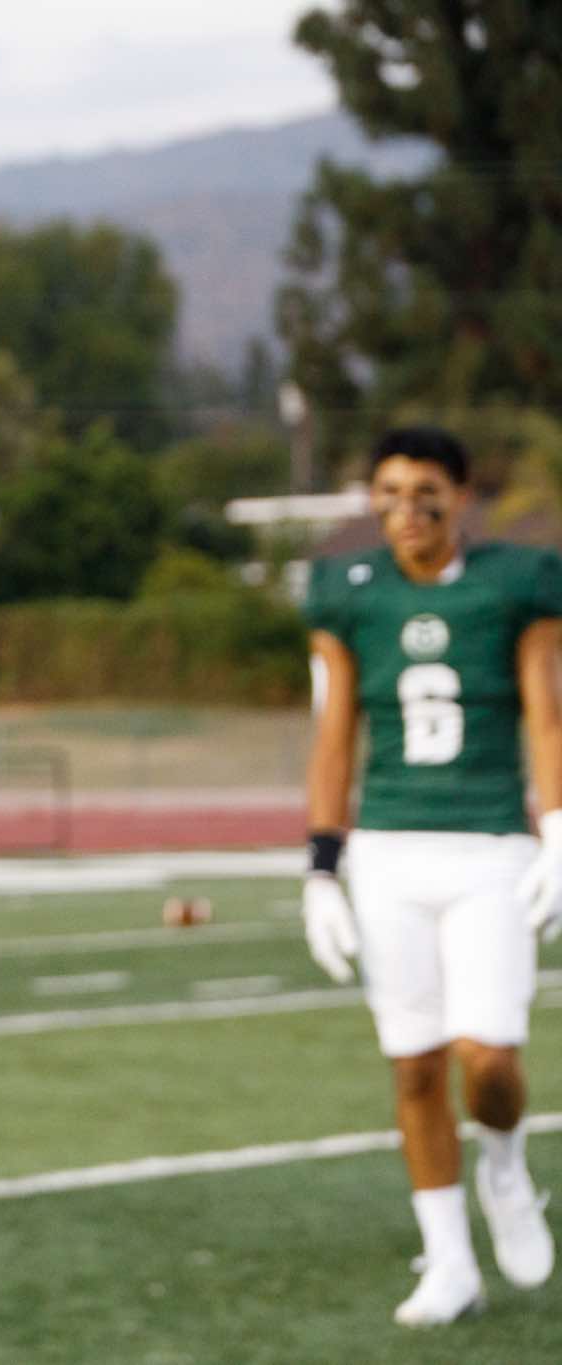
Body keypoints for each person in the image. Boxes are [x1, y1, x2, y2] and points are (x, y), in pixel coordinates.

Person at [301, 424, 562, 1327]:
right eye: (389, 493)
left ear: (461, 496)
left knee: (488, 1056)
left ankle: (505, 1161)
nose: (406, 510)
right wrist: (322, 863)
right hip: (388, 853)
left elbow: (547, 714)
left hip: (490, 844)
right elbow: (335, 732)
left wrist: (559, 829)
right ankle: (449, 1260)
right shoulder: (347, 592)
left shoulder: (516, 582)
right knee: (414, 1065)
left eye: (426, 493)